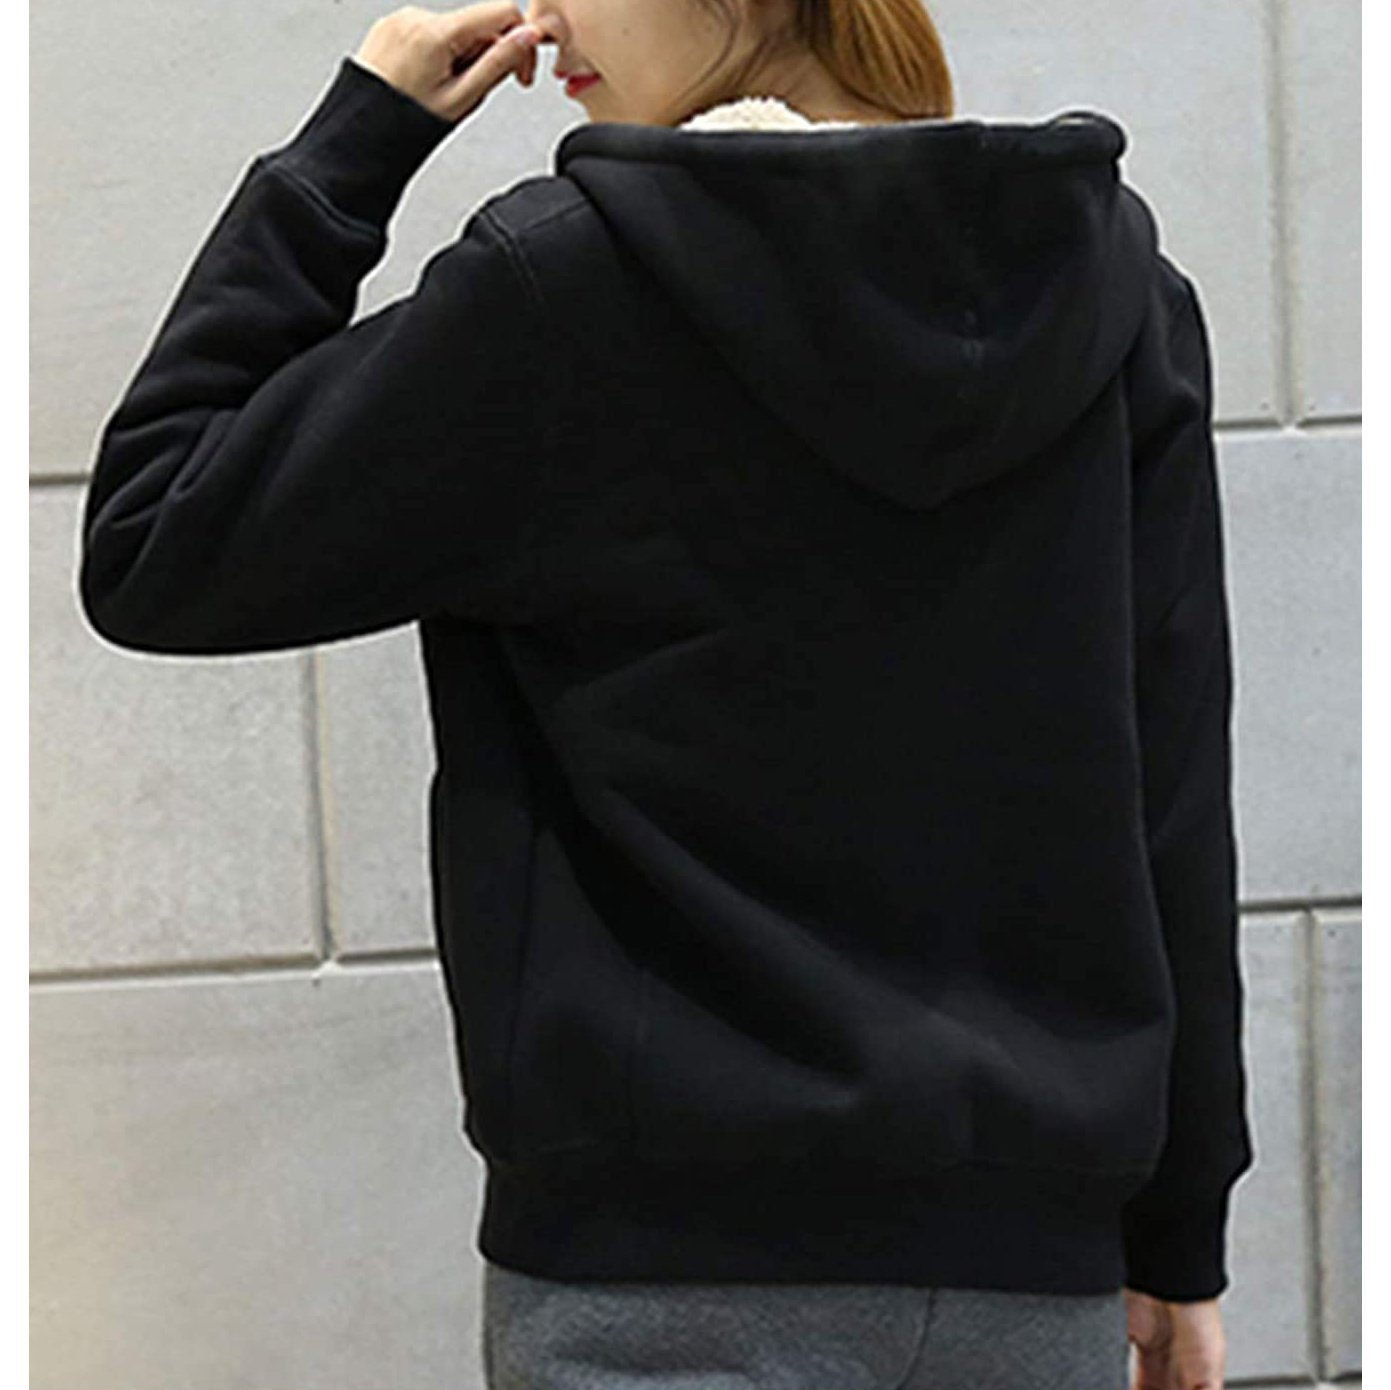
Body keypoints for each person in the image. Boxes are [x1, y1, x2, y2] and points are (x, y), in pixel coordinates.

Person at [76, 1, 1257, 1386]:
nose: (544, 13)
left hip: (664, 1289)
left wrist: (357, 140)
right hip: (1028, 1292)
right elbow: (1174, 790)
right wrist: (1178, 1234)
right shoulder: (1120, 292)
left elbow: (154, 540)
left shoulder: (559, 291)